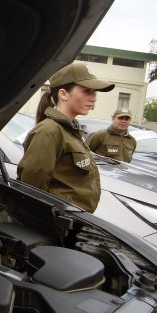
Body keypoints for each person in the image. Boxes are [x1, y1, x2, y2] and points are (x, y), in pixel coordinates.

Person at [17, 63, 114, 213]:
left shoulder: (69, 129)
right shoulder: (49, 131)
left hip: (75, 220)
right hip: (58, 222)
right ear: (63, 94)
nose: (93, 98)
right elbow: (31, 190)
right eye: (87, 91)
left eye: (94, 92)